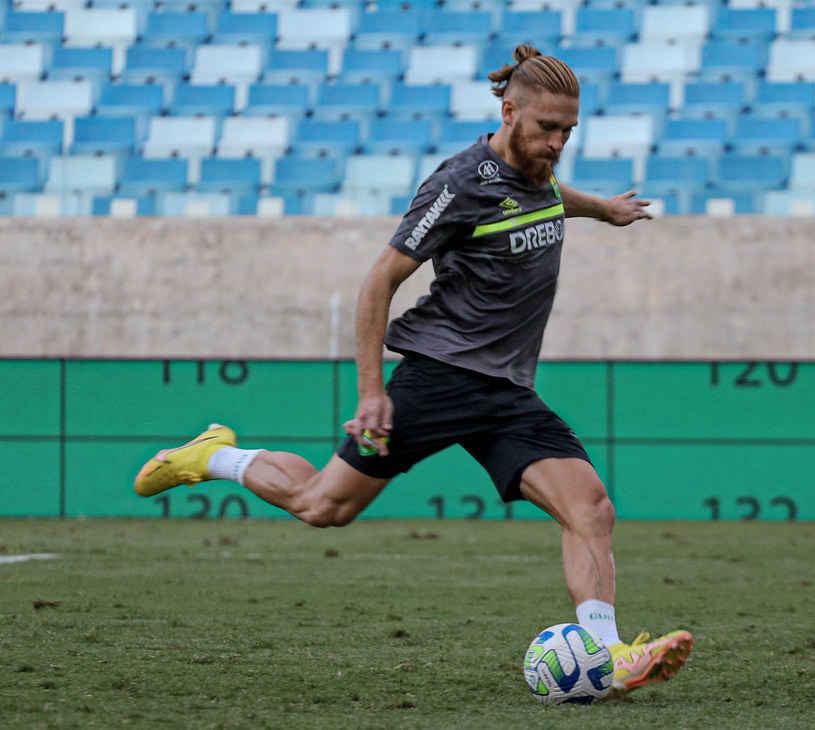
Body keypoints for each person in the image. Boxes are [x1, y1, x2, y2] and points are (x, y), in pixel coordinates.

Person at [134, 44, 693, 699]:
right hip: (439, 376)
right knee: (323, 506)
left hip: (507, 391)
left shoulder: (538, 174)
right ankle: (213, 456)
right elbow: (380, 282)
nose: (558, 142)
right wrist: (373, 393)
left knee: (591, 509)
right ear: (508, 111)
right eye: (547, 128)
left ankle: (606, 655)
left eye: (569, 130)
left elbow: (546, 199)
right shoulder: (458, 184)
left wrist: (605, 208)